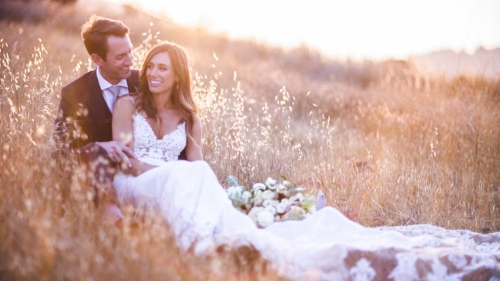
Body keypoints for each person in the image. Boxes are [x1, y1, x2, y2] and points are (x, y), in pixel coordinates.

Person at [112, 41, 500, 280]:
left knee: (197, 176)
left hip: (178, 180)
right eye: (150, 66)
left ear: (178, 75)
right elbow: (125, 159)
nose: (153, 73)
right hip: (136, 181)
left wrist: (205, 184)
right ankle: (192, 247)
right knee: (186, 176)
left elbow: (198, 164)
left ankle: (218, 238)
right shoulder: (129, 104)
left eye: (163, 68)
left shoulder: (190, 116)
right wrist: (172, 172)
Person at [54, 15, 187, 222]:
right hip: (99, 175)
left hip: (145, 175)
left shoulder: (145, 81)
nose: (130, 61)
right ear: (98, 59)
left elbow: (177, 121)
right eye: (120, 57)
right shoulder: (75, 94)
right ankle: (115, 219)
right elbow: (62, 151)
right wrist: (99, 145)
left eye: (130, 51)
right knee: (93, 153)